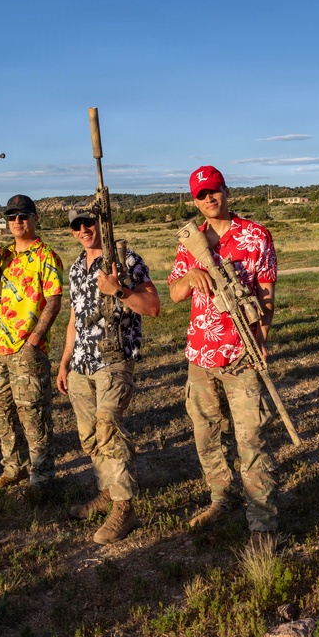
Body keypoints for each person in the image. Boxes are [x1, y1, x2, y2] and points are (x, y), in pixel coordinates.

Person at [167, 166, 279, 548]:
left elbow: (266, 293)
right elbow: (175, 293)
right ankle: (220, 497)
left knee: (252, 439)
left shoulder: (255, 235)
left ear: (226, 191)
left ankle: (262, 521)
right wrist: (192, 275)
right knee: (206, 434)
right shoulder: (191, 240)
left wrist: (259, 341)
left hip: (241, 352)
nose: (209, 199)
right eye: (201, 195)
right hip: (200, 354)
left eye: (214, 191)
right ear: (194, 200)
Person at [57, 209, 160, 543]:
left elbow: (153, 306)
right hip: (81, 365)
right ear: (72, 232)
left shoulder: (127, 260)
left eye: (89, 222)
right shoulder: (75, 268)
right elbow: (75, 317)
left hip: (113, 360)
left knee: (108, 428)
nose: (85, 229)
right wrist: (64, 361)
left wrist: (119, 291)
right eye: (77, 226)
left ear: (100, 223)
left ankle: (124, 509)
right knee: (89, 436)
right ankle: (107, 493)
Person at [0, 195, 63, 494]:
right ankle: (12, 468)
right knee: (2, 410)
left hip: (27, 348)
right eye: (11, 216)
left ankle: (42, 476)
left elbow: (53, 300)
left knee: (33, 412)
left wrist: (35, 338)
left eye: (23, 216)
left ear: (35, 218)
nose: (17, 221)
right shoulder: (5, 255)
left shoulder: (45, 255)